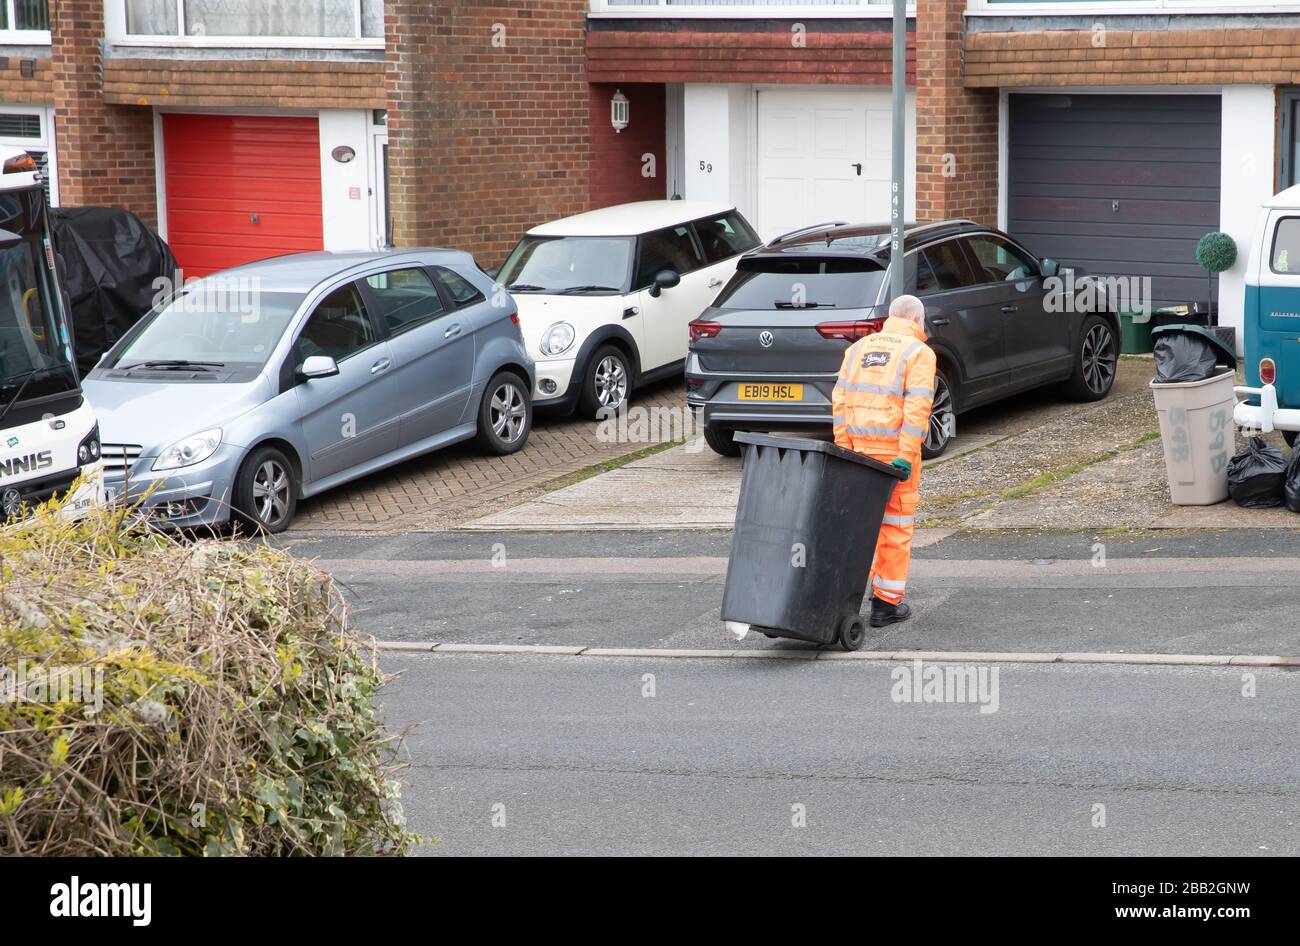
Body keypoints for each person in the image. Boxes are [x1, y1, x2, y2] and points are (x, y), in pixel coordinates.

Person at [831, 293, 936, 628]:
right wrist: (905, 456)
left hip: (857, 453)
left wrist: (844, 446)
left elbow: (840, 399)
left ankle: (841, 600)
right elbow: (917, 410)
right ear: (918, 321)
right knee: (895, 528)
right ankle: (885, 605)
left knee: (860, 528)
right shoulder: (919, 353)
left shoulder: (858, 349)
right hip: (894, 459)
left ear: (891, 317)